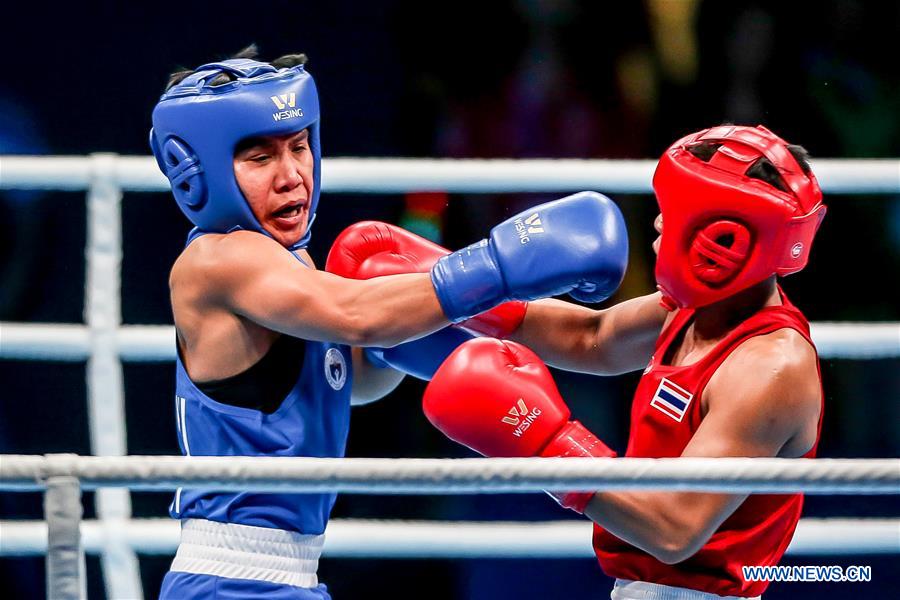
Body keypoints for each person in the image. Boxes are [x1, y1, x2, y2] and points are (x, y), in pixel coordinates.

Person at [149, 46, 629, 599]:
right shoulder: (218, 260)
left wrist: (395, 344)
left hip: (282, 577)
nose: (292, 176)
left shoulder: (291, 269)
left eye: (299, 147)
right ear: (196, 171)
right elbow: (358, 316)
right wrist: (500, 264)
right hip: (232, 581)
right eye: (260, 158)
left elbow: (351, 383)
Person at [421, 125, 826, 599]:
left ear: (723, 239)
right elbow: (591, 337)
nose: (658, 223)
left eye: (678, 210)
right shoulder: (694, 308)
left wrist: (548, 445)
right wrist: (454, 289)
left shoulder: (769, 367)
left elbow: (673, 528)